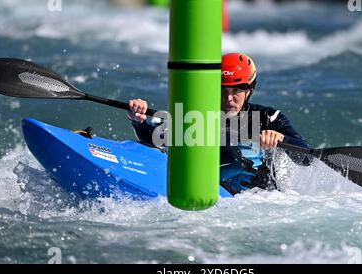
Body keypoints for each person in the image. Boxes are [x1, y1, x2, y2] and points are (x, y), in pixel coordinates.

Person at [127, 53, 311, 193]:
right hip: (214, 195)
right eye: (222, 90)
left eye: (237, 90)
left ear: (250, 90)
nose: (229, 98)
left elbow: (306, 158)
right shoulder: (198, 117)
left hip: (260, 200)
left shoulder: (268, 118)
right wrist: (139, 121)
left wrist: (281, 138)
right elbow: (153, 139)